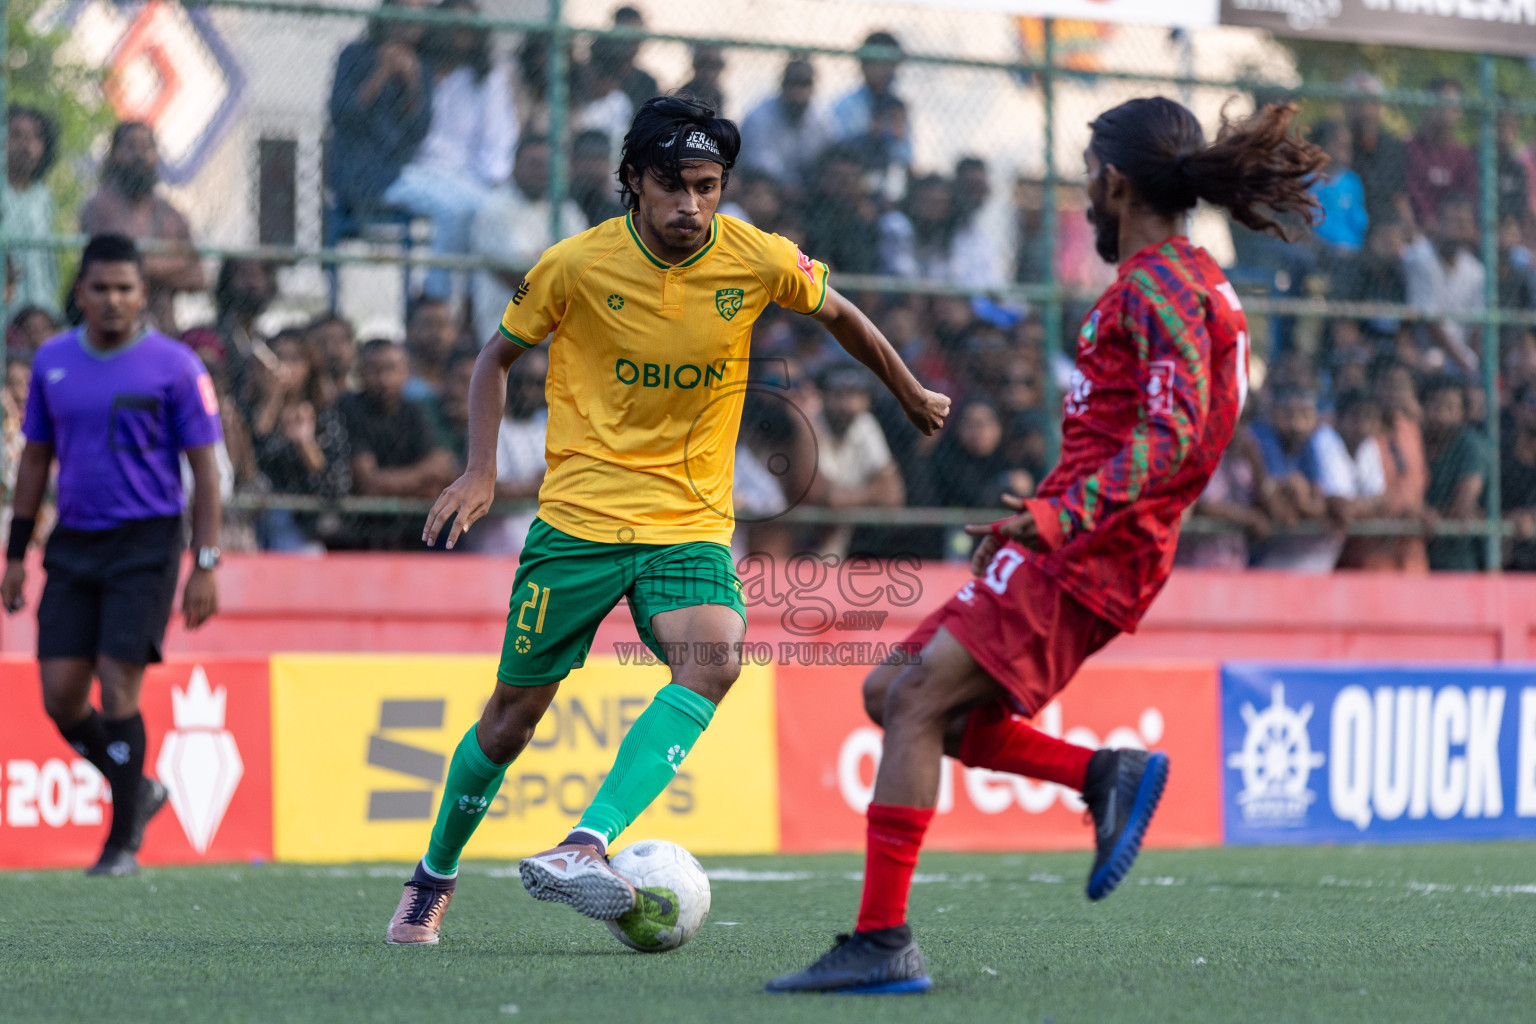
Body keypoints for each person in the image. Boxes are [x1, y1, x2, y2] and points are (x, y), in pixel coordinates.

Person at [767, 97, 1324, 994]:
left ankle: (881, 943)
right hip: (1080, 537)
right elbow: (1162, 428)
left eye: (1086, 183)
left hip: (1096, 547)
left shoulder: (1162, 285)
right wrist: (1047, 512)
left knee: (913, 704)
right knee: (891, 693)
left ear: (1112, 181)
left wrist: (1064, 518)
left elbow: (1177, 434)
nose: (1085, 200)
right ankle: (1103, 772)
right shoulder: (1183, 282)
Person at [384, 95, 949, 945]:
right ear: (633, 184)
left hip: (687, 523)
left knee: (715, 660)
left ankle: (585, 843)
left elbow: (841, 313)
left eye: (707, 186)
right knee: (509, 722)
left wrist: (906, 390)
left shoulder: (755, 257)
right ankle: (432, 879)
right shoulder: (574, 265)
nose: (691, 205)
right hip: (578, 523)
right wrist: (480, 466)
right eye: (672, 186)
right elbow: (495, 356)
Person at [0, 234, 223, 876]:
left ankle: (121, 842)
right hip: (73, 541)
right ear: (80, 294)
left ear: (142, 295)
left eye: (125, 288)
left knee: (119, 681)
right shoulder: (51, 361)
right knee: (61, 696)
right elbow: (36, 458)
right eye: (100, 288)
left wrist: (205, 563)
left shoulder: (176, 365)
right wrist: (16, 554)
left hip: (147, 540)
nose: (112, 299)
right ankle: (141, 791)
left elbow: (203, 471)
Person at [79, 123, 205, 335]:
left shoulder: (172, 215)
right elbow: (109, 270)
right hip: (110, 330)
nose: (140, 155)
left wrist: (141, 264)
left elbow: (198, 277)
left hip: (163, 328)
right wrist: (174, 261)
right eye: (130, 147)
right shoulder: (99, 208)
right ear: (115, 154)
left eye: (146, 147)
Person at [336, 339, 458, 549]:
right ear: (361, 373)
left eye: (391, 369)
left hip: (412, 528)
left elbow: (443, 471)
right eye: (374, 370)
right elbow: (368, 483)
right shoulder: (350, 407)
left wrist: (389, 482)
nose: (384, 379)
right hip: (361, 529)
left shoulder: (415, 410)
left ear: (406, 372)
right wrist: (421, 478)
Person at [326, 0, 434, 234]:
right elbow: (341, 113)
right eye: (403, 13)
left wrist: (412, 81)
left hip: (402, 170)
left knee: (460, 205)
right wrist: (382, 71)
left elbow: (419, 130)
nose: (409, 24)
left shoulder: (420, 66)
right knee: (449, 208)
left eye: (418, 17)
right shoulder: (353, 54)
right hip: (358, 172)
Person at [471, 134, 589, 346]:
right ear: (515, 166)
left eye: (547, 164)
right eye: (533, 164)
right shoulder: (495, 207)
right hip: (503, 331)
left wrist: (544, 263)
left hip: (556, 333)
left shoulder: (567, 211)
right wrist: (558, 267)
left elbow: (584, 270)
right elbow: (519, 275)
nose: (540, 171)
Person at [739, 59, 835, 200]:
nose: (798, 92)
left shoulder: (821, 117)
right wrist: (786, 186)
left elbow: (832, 155)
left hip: (810, 191)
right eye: (793, 83)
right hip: (769, 188)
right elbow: (758, 166)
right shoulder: (759, 117)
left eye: (805, 84)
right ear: (783, 85)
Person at [1420, 376, 1488, 570]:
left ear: (1463, 414)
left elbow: (1463, 506)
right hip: (1417, 554)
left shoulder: (1470, 445)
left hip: (1457, 558)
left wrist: (1427, 515)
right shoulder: (1416, 440)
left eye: (1450, 408)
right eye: (1435, 405)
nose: (1441, 415)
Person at [4, 106, 61, 316]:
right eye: (16, 135)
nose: (26, 145)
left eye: (35, 137)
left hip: (41, 302)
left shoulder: (43, 196)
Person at [1406, 80, 1476, 231]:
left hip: (1455, 235)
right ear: (1426, 107)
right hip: (1418, 235)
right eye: (1440, 103)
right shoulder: (1408, 150)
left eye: (1452, 107)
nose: (1445, 112)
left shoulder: (1463, 156)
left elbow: (1470, 200)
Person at [1342, 71, 1409, 231]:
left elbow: (1399, 196)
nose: (1366, 111)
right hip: (1347, 224)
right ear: (1346, 106)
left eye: (1373, 103)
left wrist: (1408, 226)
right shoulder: (1337, 144)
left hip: (1386, 227)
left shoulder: (1392, 147)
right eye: (1358, 104)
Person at [832, 31, 911, 167]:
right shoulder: (845, 106)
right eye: (880, 64)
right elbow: (839, 152)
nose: (888, 71)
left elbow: (906, 156)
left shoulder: (899, 108)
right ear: (864, 65)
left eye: (891, 64)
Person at [611, 6, 660, 112]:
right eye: (627, 32)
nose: (632, 41)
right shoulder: (598, 72)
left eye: (636, 33)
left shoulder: (647, 82)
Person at [679, 45, 726, 114]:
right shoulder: (687, 91)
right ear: (697, 67)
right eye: (707, 65)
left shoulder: (716, 94)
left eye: (716, 66)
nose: (712, 73)